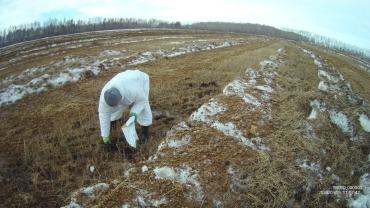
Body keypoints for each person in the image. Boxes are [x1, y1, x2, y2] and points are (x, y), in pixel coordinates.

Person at [98, 69, 152, 151]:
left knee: (144, 108)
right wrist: (105, 136)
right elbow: (103, 114)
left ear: (121, 98)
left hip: (140, 80)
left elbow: (142, 101)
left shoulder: (132, 91)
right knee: (114, 110)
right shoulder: (104, 97)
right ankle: (113, 123)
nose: (115, 106)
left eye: (116, 104)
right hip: (124, 79)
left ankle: (145, 132)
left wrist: (134, 113)